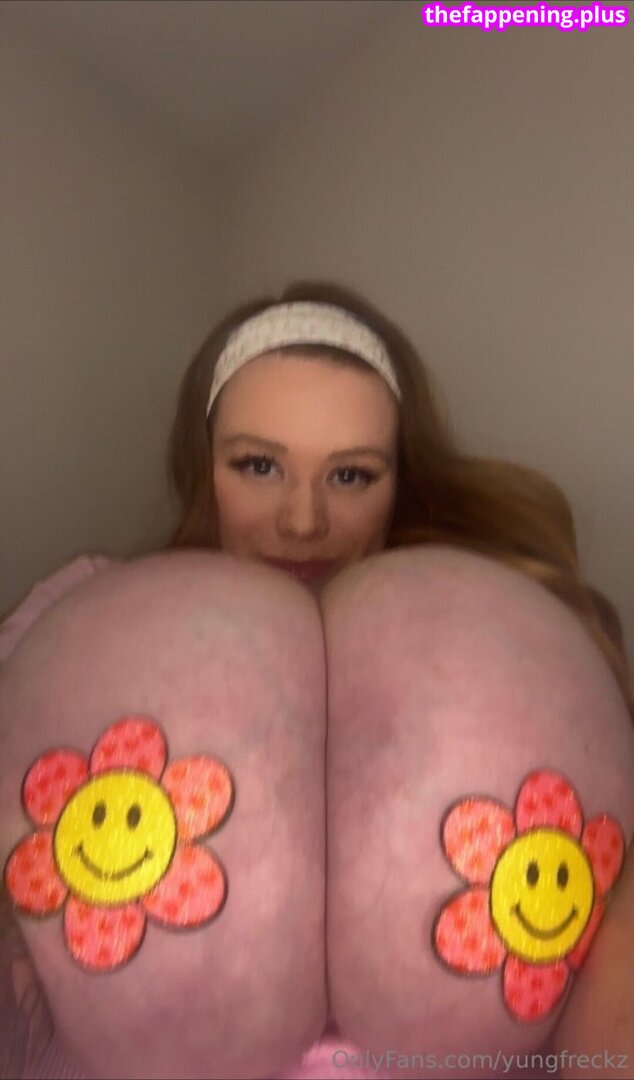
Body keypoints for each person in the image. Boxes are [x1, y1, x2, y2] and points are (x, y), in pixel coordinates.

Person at [0, 281, 632, 1080]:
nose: (303, 521)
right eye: (259, 465)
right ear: (204, 466)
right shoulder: (82, 612)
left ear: (400, 481)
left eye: (351, 476)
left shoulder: (496, 636)